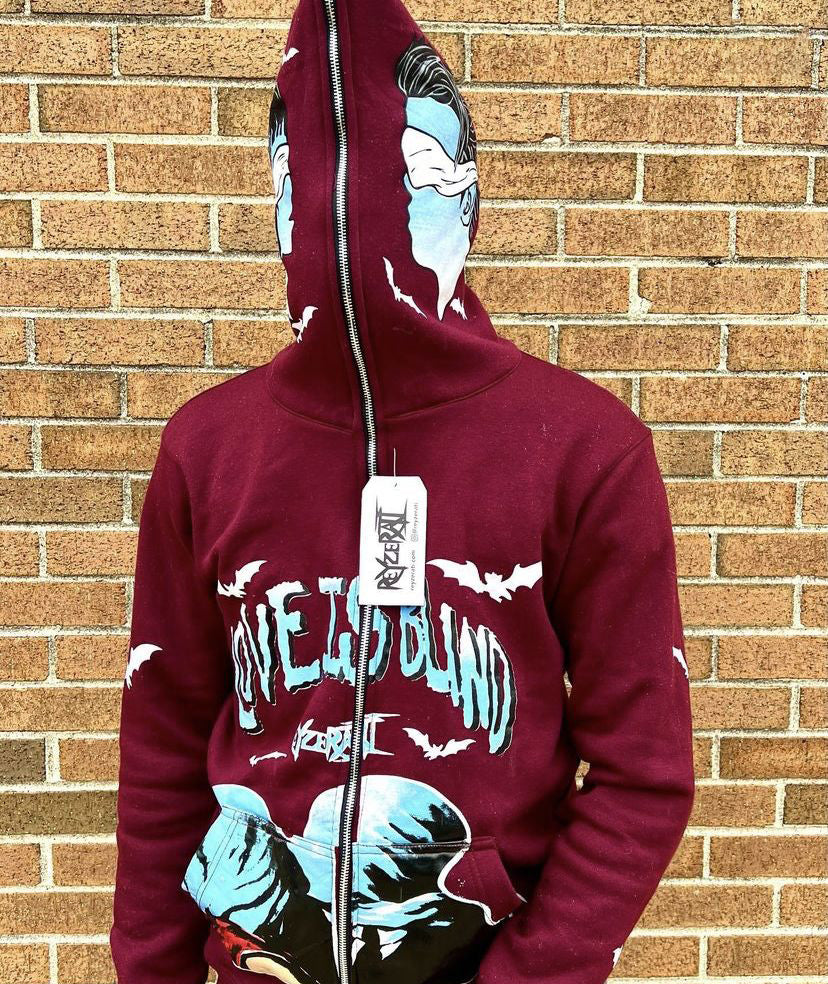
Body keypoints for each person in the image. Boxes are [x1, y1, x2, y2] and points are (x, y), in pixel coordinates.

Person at [110, 0, 695, 982]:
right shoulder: (207, 449)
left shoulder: (587, 451)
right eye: (312, 177)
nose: (360, 210)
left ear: (466, 194)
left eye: (420, 178)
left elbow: (645, 771)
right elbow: (163, 752)